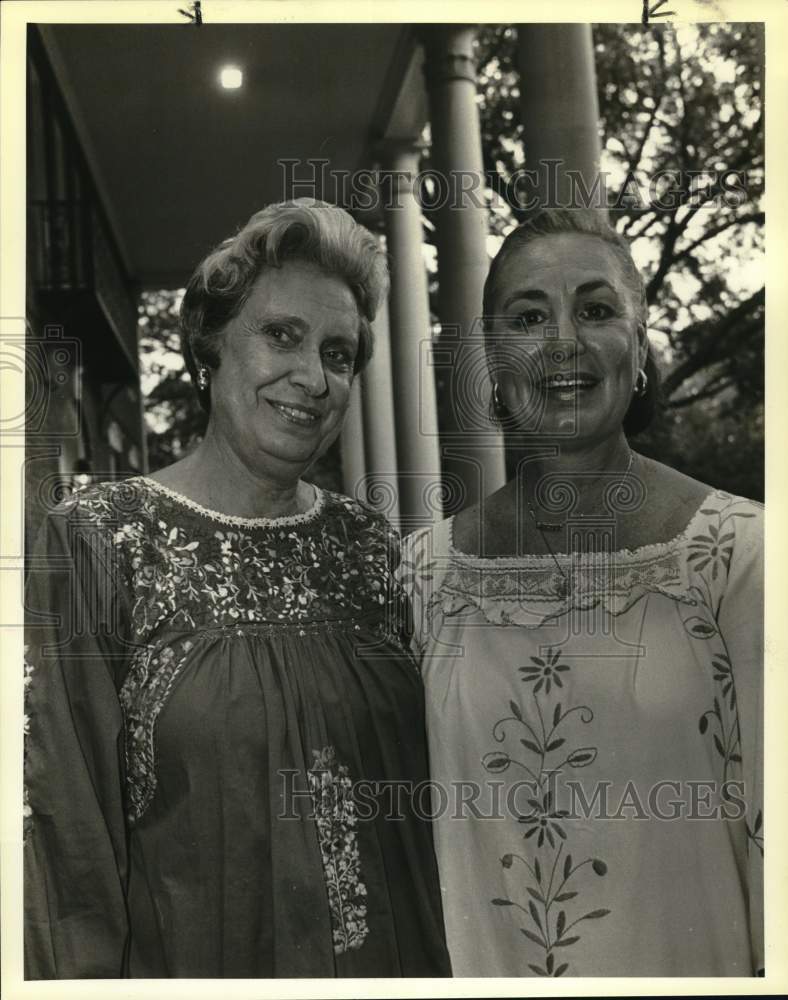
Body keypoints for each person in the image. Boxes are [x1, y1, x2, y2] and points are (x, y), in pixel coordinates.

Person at [23, 200, 451, 979]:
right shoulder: (100, 540)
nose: (312, 378)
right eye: (281, 335)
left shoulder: (371, 549)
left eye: (339, 353)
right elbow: (70, 850)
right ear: (210, 346)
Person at [397, 208, 763, 977]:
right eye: (529, 318)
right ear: (493, 363)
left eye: (596, 310)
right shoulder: (421, 578)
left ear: (638, 350)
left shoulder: (743, 556)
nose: (563, 342)